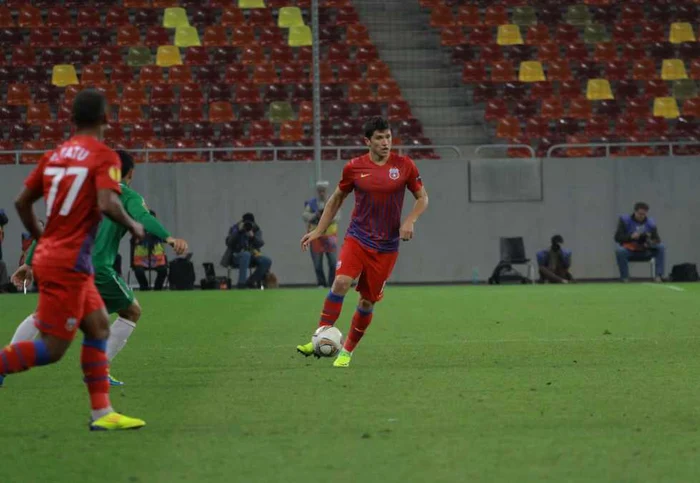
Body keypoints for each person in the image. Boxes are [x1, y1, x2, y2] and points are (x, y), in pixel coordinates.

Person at [0, 89, 147, 430]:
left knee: (97, 326)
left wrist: (42, 239)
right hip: (68, 262)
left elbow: (23, 202)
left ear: (72, 119)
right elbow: (109, 203)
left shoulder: (54, 156)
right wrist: (133, 224)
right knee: (52, 350)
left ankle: (102, 414)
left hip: (63, 258)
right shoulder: (104, 156)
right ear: (106, 119)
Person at [7, 150, 188, 388]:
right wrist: (169, 238)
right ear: (130, 173)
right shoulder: (126, 195)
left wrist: (30, 262)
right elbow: (142, 217)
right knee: (131, 311)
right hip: (96, 269)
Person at [296, 116, 429, 368]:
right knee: (341, 281)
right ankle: (319, 338)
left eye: (388, 137)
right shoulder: (354, 167)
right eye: (379, 138)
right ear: (367, 141)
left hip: (387, 246)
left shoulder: (404, 166)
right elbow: (336, 199)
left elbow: (422, 197)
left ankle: (346, 351)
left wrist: (410, 220)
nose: (385, 142)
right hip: (358, 238)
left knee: (367, 301)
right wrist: (319, 231)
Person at [614, 202, 665, 282]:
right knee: (620, 251)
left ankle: (658, 276)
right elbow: (617, 237)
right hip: (630, 250)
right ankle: (625, 277)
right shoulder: (625, 221)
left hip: (645, 250)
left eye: (644, 214)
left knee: (661, 247)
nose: (641, 216)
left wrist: (649, 242)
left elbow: (657, 240)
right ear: (635, 211)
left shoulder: (650, 223)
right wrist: (631, 237)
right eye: (639, 214)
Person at [303, 180, 340, 287]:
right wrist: (315, 215)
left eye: (323, 191)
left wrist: (326, 217)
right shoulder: (312, 203)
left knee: (333, 262)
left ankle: (331, 283)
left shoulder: (333, 201)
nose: (322, 193)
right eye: (320, 191)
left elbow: (337, 217)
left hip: (330, 235)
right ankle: (321, 283)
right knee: (317, 263)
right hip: (316, 236)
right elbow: (305, 215)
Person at [221, 213, 272, 289]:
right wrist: (238, 232)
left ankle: (250, 281)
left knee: (267, 261)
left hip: (253, 255)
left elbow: (260, 243)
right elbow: (229, 243)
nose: (248, 226)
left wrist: (253, 237)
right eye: (246, 223)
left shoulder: (256, 229)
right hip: (236, 256)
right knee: (246, 254)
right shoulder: (235, 228)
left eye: (250, 223)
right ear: (243, 222)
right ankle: (241, 284)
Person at [132, 210, 169, 291]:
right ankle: (144, 288)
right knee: (139, 272)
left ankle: (157, 289)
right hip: (141, 260)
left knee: (163, 271)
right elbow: (134, 240)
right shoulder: (138, 230)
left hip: (157, 260)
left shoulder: (158, 230)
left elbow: (166, 238)